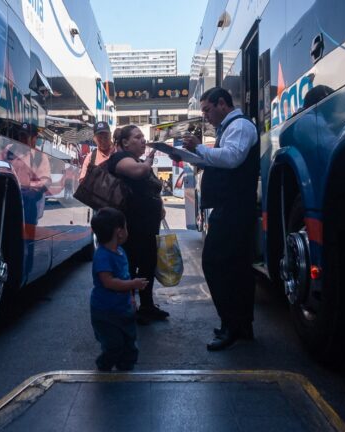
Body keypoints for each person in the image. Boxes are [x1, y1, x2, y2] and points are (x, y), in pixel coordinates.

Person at [180, 87, 259, 351]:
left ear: (222, 104)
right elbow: (223, 160)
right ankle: (241, 325)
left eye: (207, 110)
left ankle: (231, 325)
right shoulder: (231, 128)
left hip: (234, 208)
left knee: (215, 264)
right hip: (233, 207)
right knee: (236, 268)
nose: (206, 117)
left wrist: (199, 148)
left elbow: (232, 158)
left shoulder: (239, 126)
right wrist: (189, 156)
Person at [108, 125, 169, 324]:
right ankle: (129, 308)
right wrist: (150, 160)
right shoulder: (119, 158)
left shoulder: (138, 160)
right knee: (130, 265)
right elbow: (138, 172)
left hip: (147, 227)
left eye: (143, 137)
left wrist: (158, 206)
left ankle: (147, 305)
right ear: (125, 142)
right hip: (130, 228)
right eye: (138, 137)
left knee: (147, 265)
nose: (143, 140)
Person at [90, 207, 149, 371]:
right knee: (113, 344)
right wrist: (133, 285)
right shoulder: (102, 256)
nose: (127, 230)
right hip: (105, 311)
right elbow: (108, 282)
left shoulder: (121, 252)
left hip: (123, 308)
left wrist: (131, 296)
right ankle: (104, 364)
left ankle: (126, 367)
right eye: (126, 226)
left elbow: (124, 276)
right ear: (119, 232)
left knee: (130, 342)